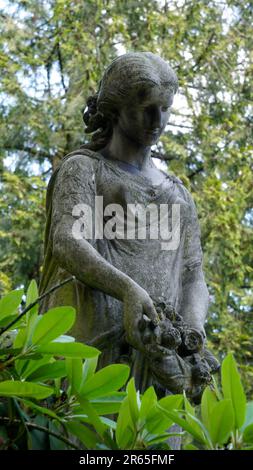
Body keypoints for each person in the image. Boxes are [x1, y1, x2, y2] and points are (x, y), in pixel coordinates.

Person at [39, 52, 218, 406]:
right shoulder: (85, 169)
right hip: (93, 351)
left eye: (165, 108)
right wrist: (128, 291)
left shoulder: (177, 193)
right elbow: (67, 240)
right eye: (145, 108)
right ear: (115, 109)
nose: (157, 119)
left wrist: (192, 331)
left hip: (160, 361)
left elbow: (193, 274)